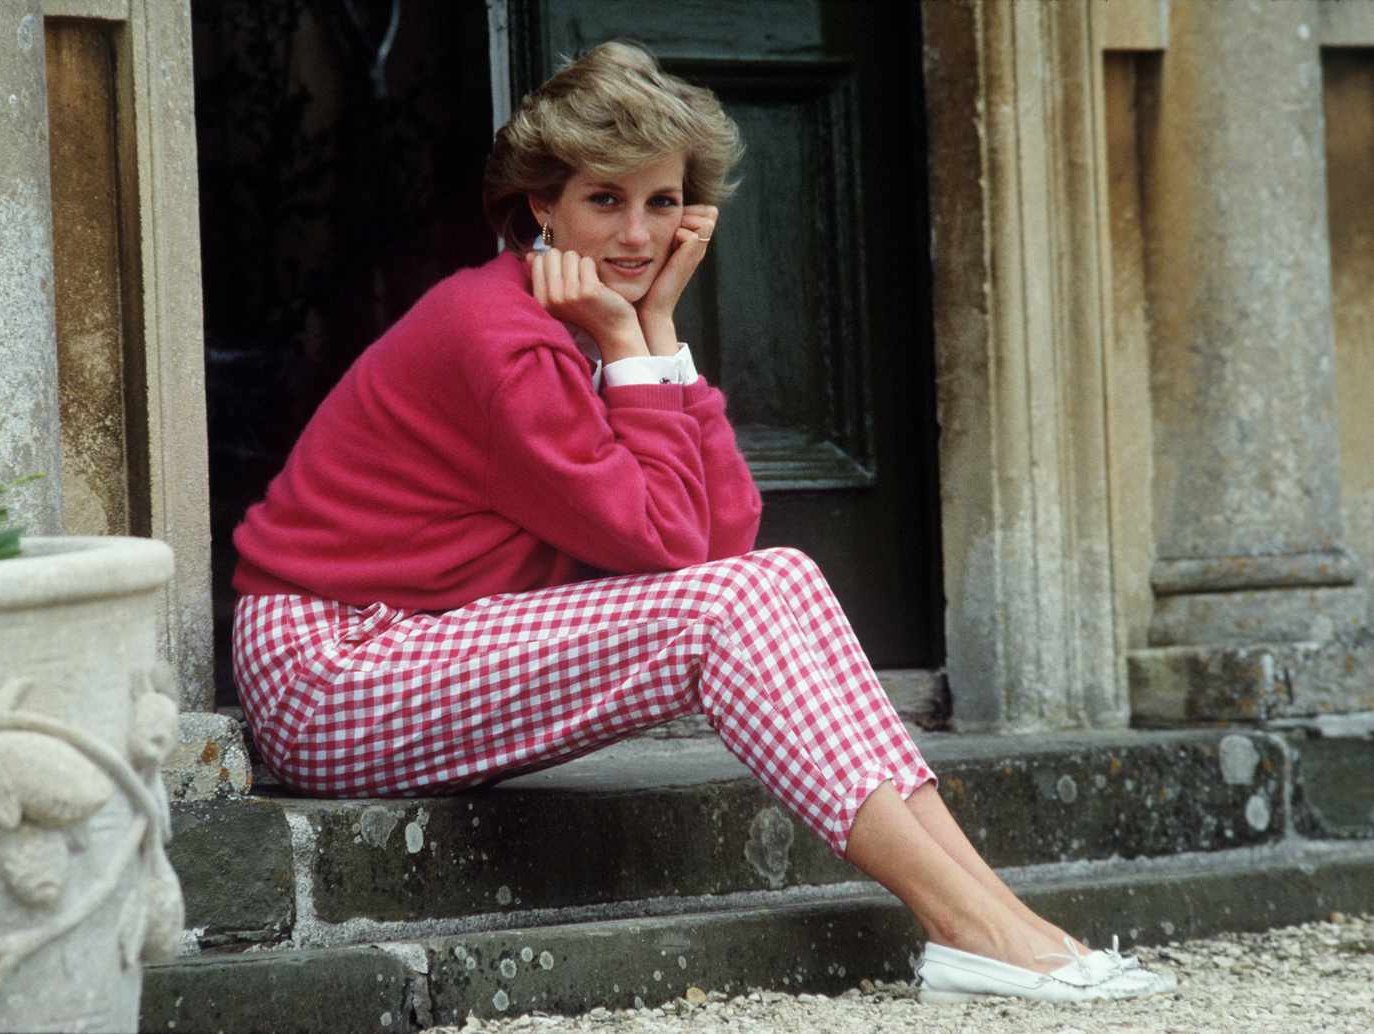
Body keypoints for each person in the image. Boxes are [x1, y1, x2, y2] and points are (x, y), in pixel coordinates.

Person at [229, 40, 1174, 1004]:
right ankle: (968, 927)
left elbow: (726, 539)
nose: (638, 235)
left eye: (663, 202)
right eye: (605, 200)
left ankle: (1003, 920)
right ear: (542, 205)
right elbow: (673, 551)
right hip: (331, 671)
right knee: (725, 607)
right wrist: (626, 334)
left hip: (420, 643)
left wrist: (657, 331)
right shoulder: (502, 339)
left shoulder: (586, 318)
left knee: (782, 575)